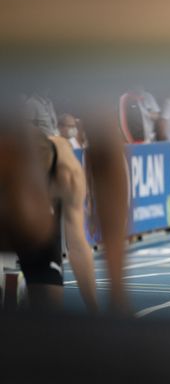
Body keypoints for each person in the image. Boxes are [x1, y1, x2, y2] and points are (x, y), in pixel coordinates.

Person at [1, 128, 98, 313]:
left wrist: (95, 313)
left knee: (49, 308)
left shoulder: (67, 169)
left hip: (38, 234)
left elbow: (77, 244)